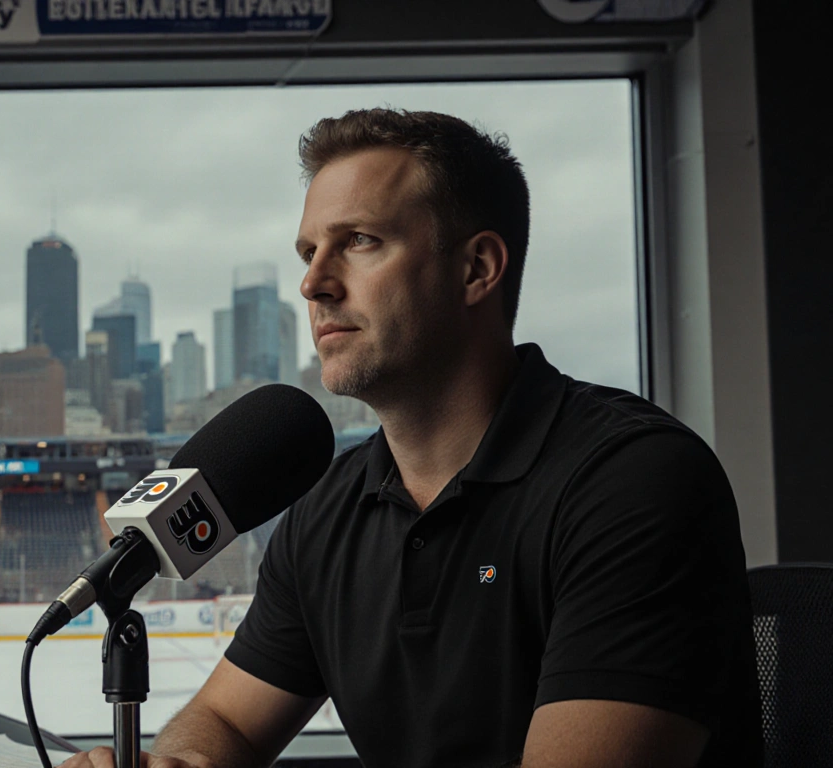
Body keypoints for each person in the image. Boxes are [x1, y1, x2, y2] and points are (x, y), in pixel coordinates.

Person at [60, 109, 762, 768]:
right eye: (309, 251)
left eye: (359, 241)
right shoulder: (328, 511)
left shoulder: (634, 483)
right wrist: (180, 763)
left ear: (476, 269)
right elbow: (229, 721)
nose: (313, 283)